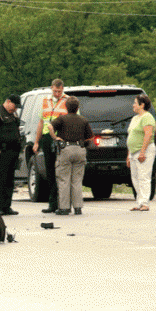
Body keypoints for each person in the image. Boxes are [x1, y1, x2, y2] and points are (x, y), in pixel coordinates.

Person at [48, 96, 93, 215]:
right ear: (77, 107)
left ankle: (64, 207)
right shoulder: (83, 120)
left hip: (66, 149)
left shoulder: (62, 119)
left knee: (64, 180)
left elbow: (49, 126)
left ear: (65, 107)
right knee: (77, 180)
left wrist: (55, 137)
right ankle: (78, 207)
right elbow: (90, 137)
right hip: (80, 149)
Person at [33, 79, 68, 213]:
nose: (57, 93)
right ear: (51, 89)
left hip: (61, 137)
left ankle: (63, 203)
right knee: (50, 171)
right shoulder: (45, 100)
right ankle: (52, 203)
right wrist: (37, 142)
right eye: (55, 91)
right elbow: (41, 122)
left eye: (59, 91)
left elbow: (73, 119)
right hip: (47, 138)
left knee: (62, 171)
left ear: (62, 89)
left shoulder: (68, 100)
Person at [126, 94, 156, 211]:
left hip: (144, 150)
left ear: (142, 105)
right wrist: (129, 155)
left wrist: (142, 152)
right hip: (133, 151)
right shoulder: (135, 118)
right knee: (135, 177)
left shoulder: (147, 117)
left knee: (144, 176)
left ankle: (145, 203)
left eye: (135, 103)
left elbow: (148, 135)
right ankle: (139, 202)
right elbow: (131, 136)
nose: (133, 105)